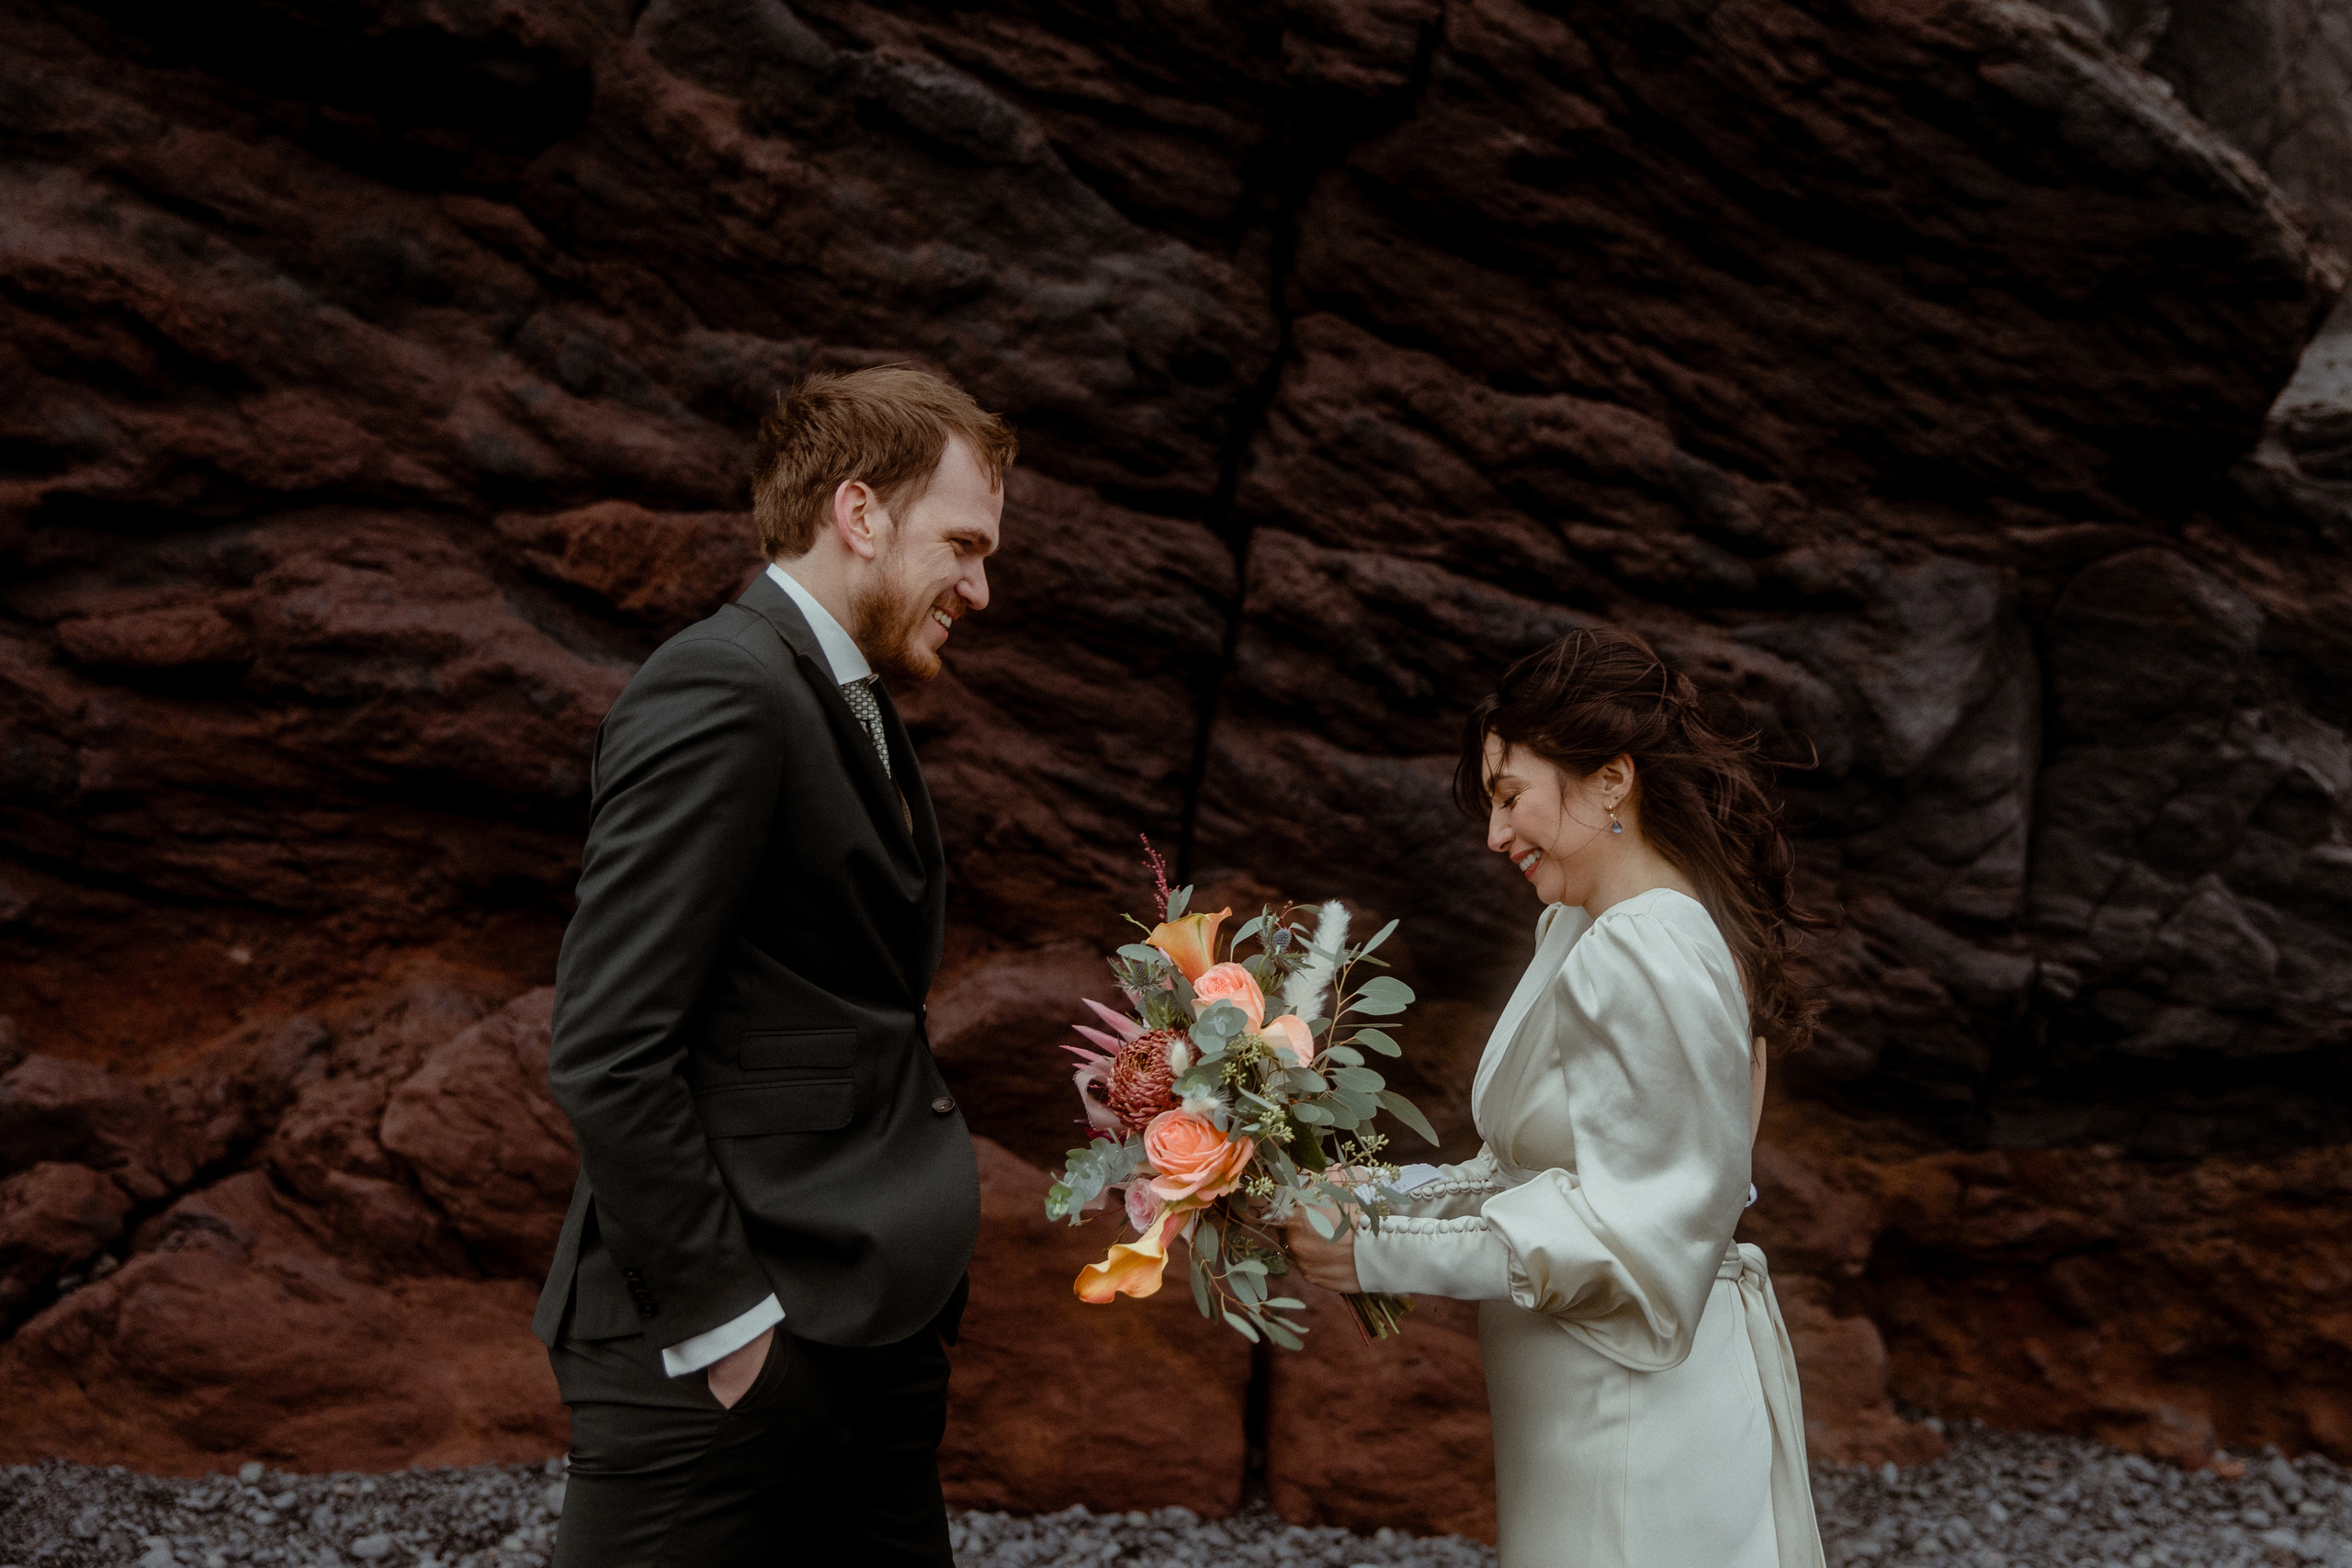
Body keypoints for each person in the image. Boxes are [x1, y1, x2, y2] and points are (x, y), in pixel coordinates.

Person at [530, 366, 1016, 1567]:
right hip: (730, 1358)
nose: (981, 586)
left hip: (867, 1332)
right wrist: (732, 1331)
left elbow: (834, 1006)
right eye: (962, 543)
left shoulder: (848, 701)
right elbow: (607, 1044)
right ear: (859, 514)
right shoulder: (722, 686)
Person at [1288, 627, 1828, 1568]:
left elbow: (1634, 1230)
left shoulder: (1645, 946)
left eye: (1508, 796)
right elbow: (1524, 1174)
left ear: (1611, 780)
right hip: (1589, 1418)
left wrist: (1374, 1246)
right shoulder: (1586, 929)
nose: (1494, 835)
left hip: (1633, 1431)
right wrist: (1356, 1197)